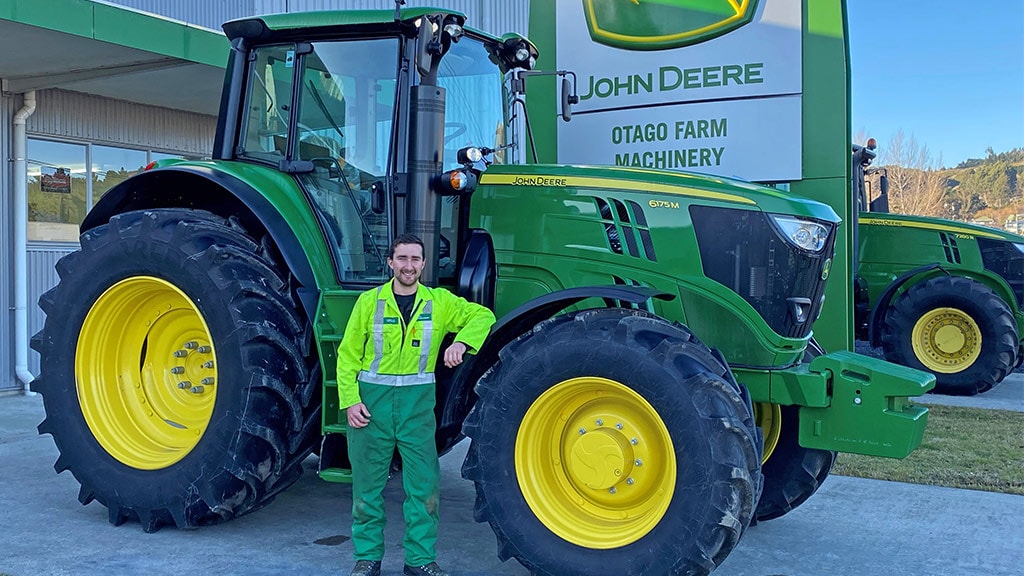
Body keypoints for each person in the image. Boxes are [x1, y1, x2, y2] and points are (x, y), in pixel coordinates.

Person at [337, 233, 496, 576]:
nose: (408, 266)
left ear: (424, 265)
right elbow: (347, 356)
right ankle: (367, 560)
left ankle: (420, 561)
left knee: (424, 488)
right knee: (367, 489)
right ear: (391, 263)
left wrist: (462, 343)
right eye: (402, 259)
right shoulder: (369, 302)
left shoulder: (439, 302)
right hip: (371, 408)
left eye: (415, 260)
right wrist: (350, 402)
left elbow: (482, 315)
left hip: (416, 410)